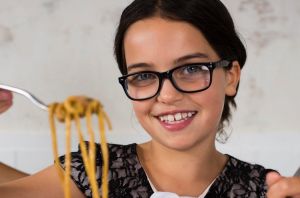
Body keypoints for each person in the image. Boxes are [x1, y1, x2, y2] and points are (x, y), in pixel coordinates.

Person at [0, 0, 300, 197]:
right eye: (143, 76)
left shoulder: (266, 189)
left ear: (231, 76)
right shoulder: (95, 171)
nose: (167, 95)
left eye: (191, 69)